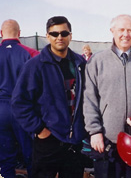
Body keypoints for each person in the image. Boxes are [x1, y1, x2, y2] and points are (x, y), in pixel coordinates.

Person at [83, 14, 131, 178]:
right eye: (121, 30)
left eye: (130, 30)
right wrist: (94, 131)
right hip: (106, 141)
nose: (126, 34)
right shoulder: (97, 61)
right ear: (112, 31)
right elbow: (89, 99)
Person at [11, 16, 87, 178]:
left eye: (64, 33)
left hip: (73, 142)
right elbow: (19, 103)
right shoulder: (35, 66)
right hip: (48, 141)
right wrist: (39, 129)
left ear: (70, 35)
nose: (59, 37)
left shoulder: (80, 63)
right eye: (54, 33)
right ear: (48, 36)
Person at [0, 19, 39, 178]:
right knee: (30, 154)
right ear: (20, 34)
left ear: (1, 34)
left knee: (5, 156)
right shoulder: (31, 53)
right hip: (23, 108)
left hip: (1, 109)